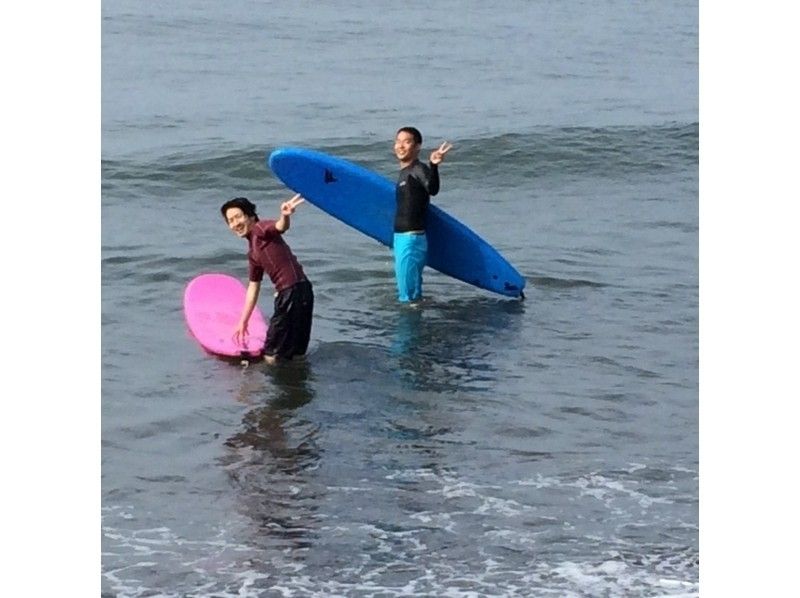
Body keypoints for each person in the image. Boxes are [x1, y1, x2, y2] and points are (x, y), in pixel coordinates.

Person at [220, 194, 313, 364]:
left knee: (271, 354)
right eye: (230, 221)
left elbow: (278, 227)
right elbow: (253, 288)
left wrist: (284, 215)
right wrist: (243, 322)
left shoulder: (260, 229)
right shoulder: (253, 254)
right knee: (296, 352)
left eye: (238, 217)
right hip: (303, 290)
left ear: (251, 216)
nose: (235, 224)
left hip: (290, 293)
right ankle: (298, 386)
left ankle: (268, 387)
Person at [392, 126, 453, 303]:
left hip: (410, 241)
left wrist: (434, 166)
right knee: (412, 294)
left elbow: (432, 189)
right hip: (403, 240)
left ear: (417, 146)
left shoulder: (417, 169)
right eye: (398, 141)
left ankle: (407, 330)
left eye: (407, 141)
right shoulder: (404, 172)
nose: (401, 146)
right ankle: (416, 327)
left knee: (407, 299)